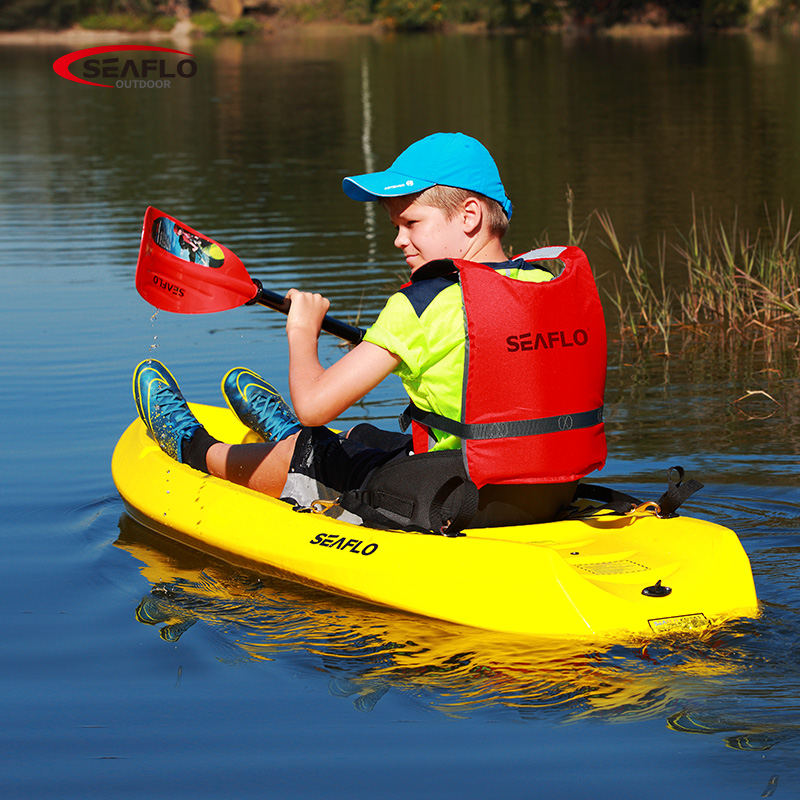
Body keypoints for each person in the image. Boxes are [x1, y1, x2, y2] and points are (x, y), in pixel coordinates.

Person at [133, 132, 606, 533]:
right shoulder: (546, 285)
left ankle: (195, 447)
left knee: (311, 446)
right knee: (366, 436)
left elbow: (316, 406)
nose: (399, 239)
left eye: (411, 222)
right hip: (547, 488)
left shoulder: (420, 304)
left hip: (465, 503)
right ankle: (280, 432)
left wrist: (302, 331)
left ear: (469, 216)